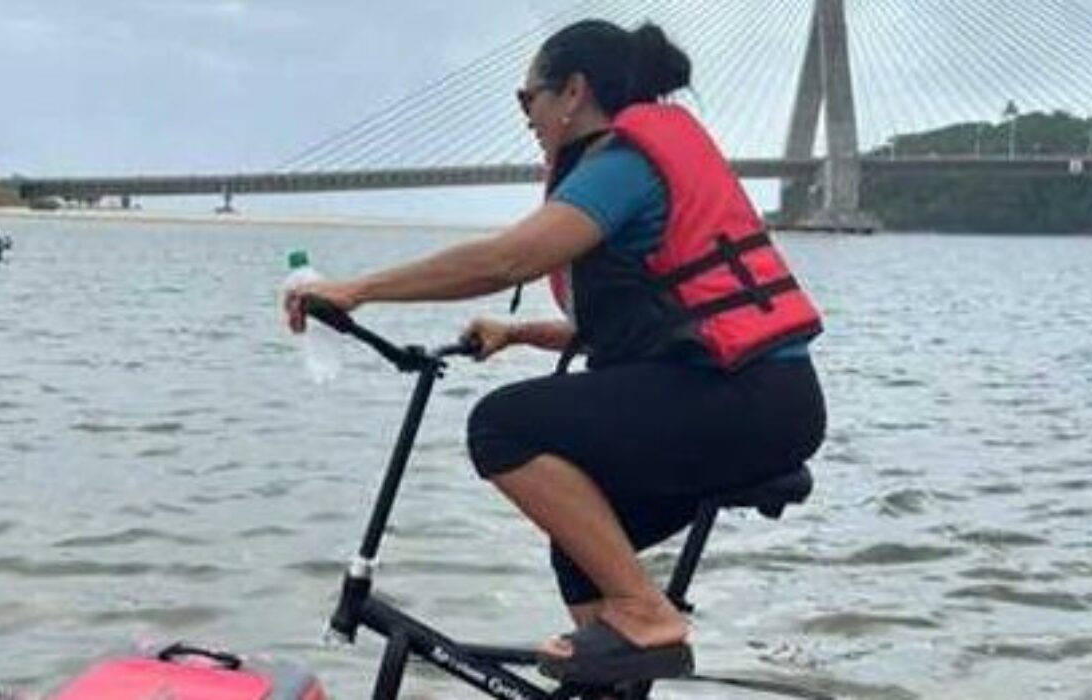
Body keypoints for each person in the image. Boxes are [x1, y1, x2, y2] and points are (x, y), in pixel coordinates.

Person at [283, 19, 826, 686]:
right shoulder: (629, 165)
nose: (527, 117)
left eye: (527, 99)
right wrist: (517, 333)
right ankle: (616, 671)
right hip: (754, 397)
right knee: (578, 546)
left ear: (573, 92)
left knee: (502, 426)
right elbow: (653, 326)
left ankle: (646, 614)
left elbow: (506, 257)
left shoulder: (623, 165)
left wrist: (358, 289)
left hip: (748, 397)